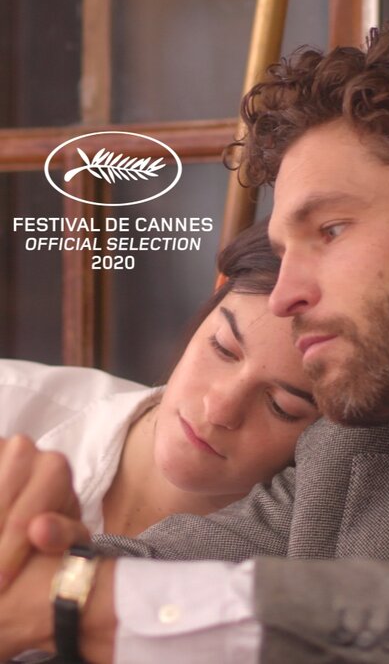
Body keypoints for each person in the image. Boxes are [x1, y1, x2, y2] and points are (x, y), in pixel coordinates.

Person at [1, 16, 389, 664]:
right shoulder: (357, 453)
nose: (285, 296)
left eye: (331, 229)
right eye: (283, 253)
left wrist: (75, 604)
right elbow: (155, 570)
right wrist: (38, 574)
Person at [0, 219, 318, 545]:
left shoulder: (302, 553)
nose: (219, 410)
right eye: (223, 349)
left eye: (280, 407)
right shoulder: (11, 405)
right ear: (216, 293)